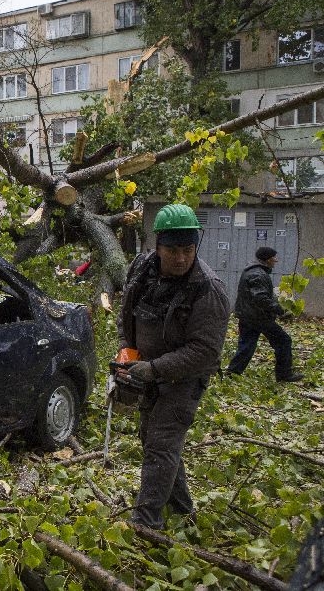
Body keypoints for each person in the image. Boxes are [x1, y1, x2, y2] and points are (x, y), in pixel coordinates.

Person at [116, 204, 230, 529]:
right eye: (173, 250)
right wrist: (127, 351)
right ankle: (183, 512)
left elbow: (205, 351)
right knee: (151, 438)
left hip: (184, 379)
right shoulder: (141, 268)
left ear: (196, 245)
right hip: (149, 370)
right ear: (158, 246)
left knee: (161, 444)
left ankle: (145, 524)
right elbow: (127, 314)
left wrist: (154, 369)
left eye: (188, 249)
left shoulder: (208, 289)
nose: (181, 258)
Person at [225, 247, 303, 382]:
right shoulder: (258, 274)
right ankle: (284, 375)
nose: (276, 260)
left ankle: (231, 374)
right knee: (283, 341)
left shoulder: (254, 271)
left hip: (248, 316)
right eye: (274, 257)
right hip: (258, 318)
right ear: (267, 259)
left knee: (247, 346)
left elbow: (260, 296)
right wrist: (281, 310)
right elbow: (261, 298)